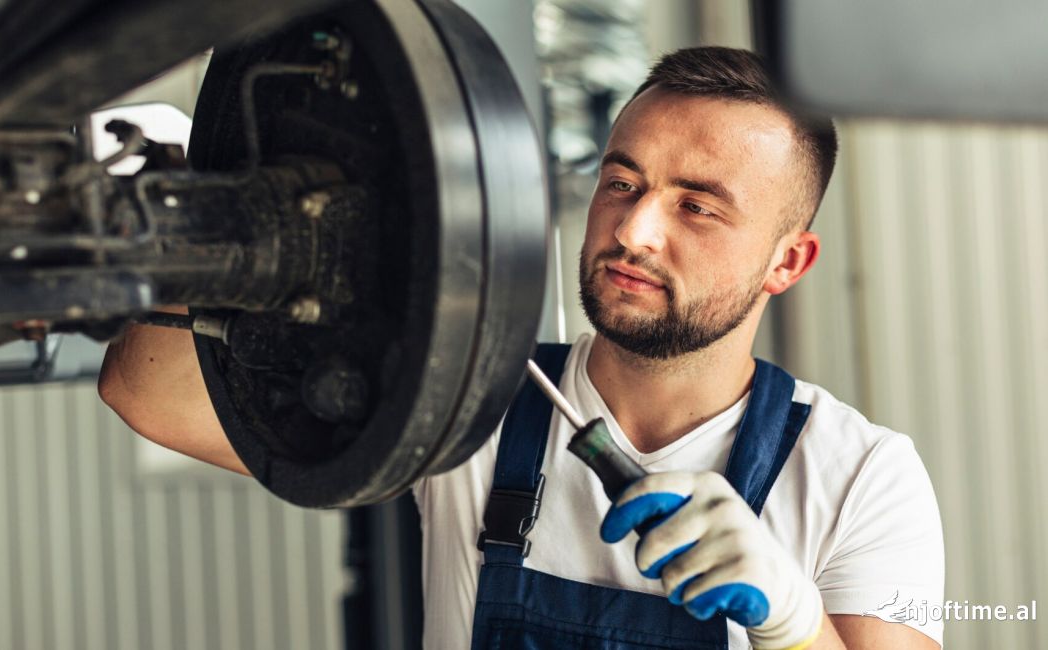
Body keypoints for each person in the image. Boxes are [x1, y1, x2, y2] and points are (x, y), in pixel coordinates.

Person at [100, 46, 944, 649]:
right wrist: (210, 225)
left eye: (697, 206)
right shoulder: (475, 391)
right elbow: (148, 393)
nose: (635, 229)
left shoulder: (861, 475)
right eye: (622, 182)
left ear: (786, 261)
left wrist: (792, 625)